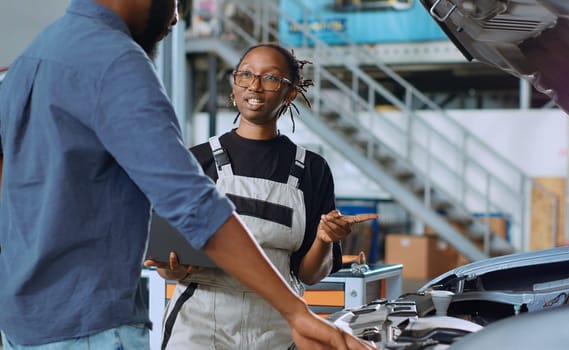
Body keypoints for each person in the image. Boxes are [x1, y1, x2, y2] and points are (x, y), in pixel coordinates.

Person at [0, 1, 376, 349]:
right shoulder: (116, 61)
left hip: (23, 325)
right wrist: (297, 313)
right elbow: (194, 206)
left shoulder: (30, 59)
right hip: (92, 326)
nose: (176, 18)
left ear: (290, 93)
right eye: (175, 0)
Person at [146, 43, 379, 349]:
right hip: (200, 325)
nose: (254, 85)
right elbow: (168, 260)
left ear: (290, 92)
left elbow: (309, 275)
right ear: (234, 82)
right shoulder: (196, 161)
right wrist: (171, 268)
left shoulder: (311, 170)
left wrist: (325, 238)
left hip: (276, 327)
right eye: (246, 75)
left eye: (270, 78)